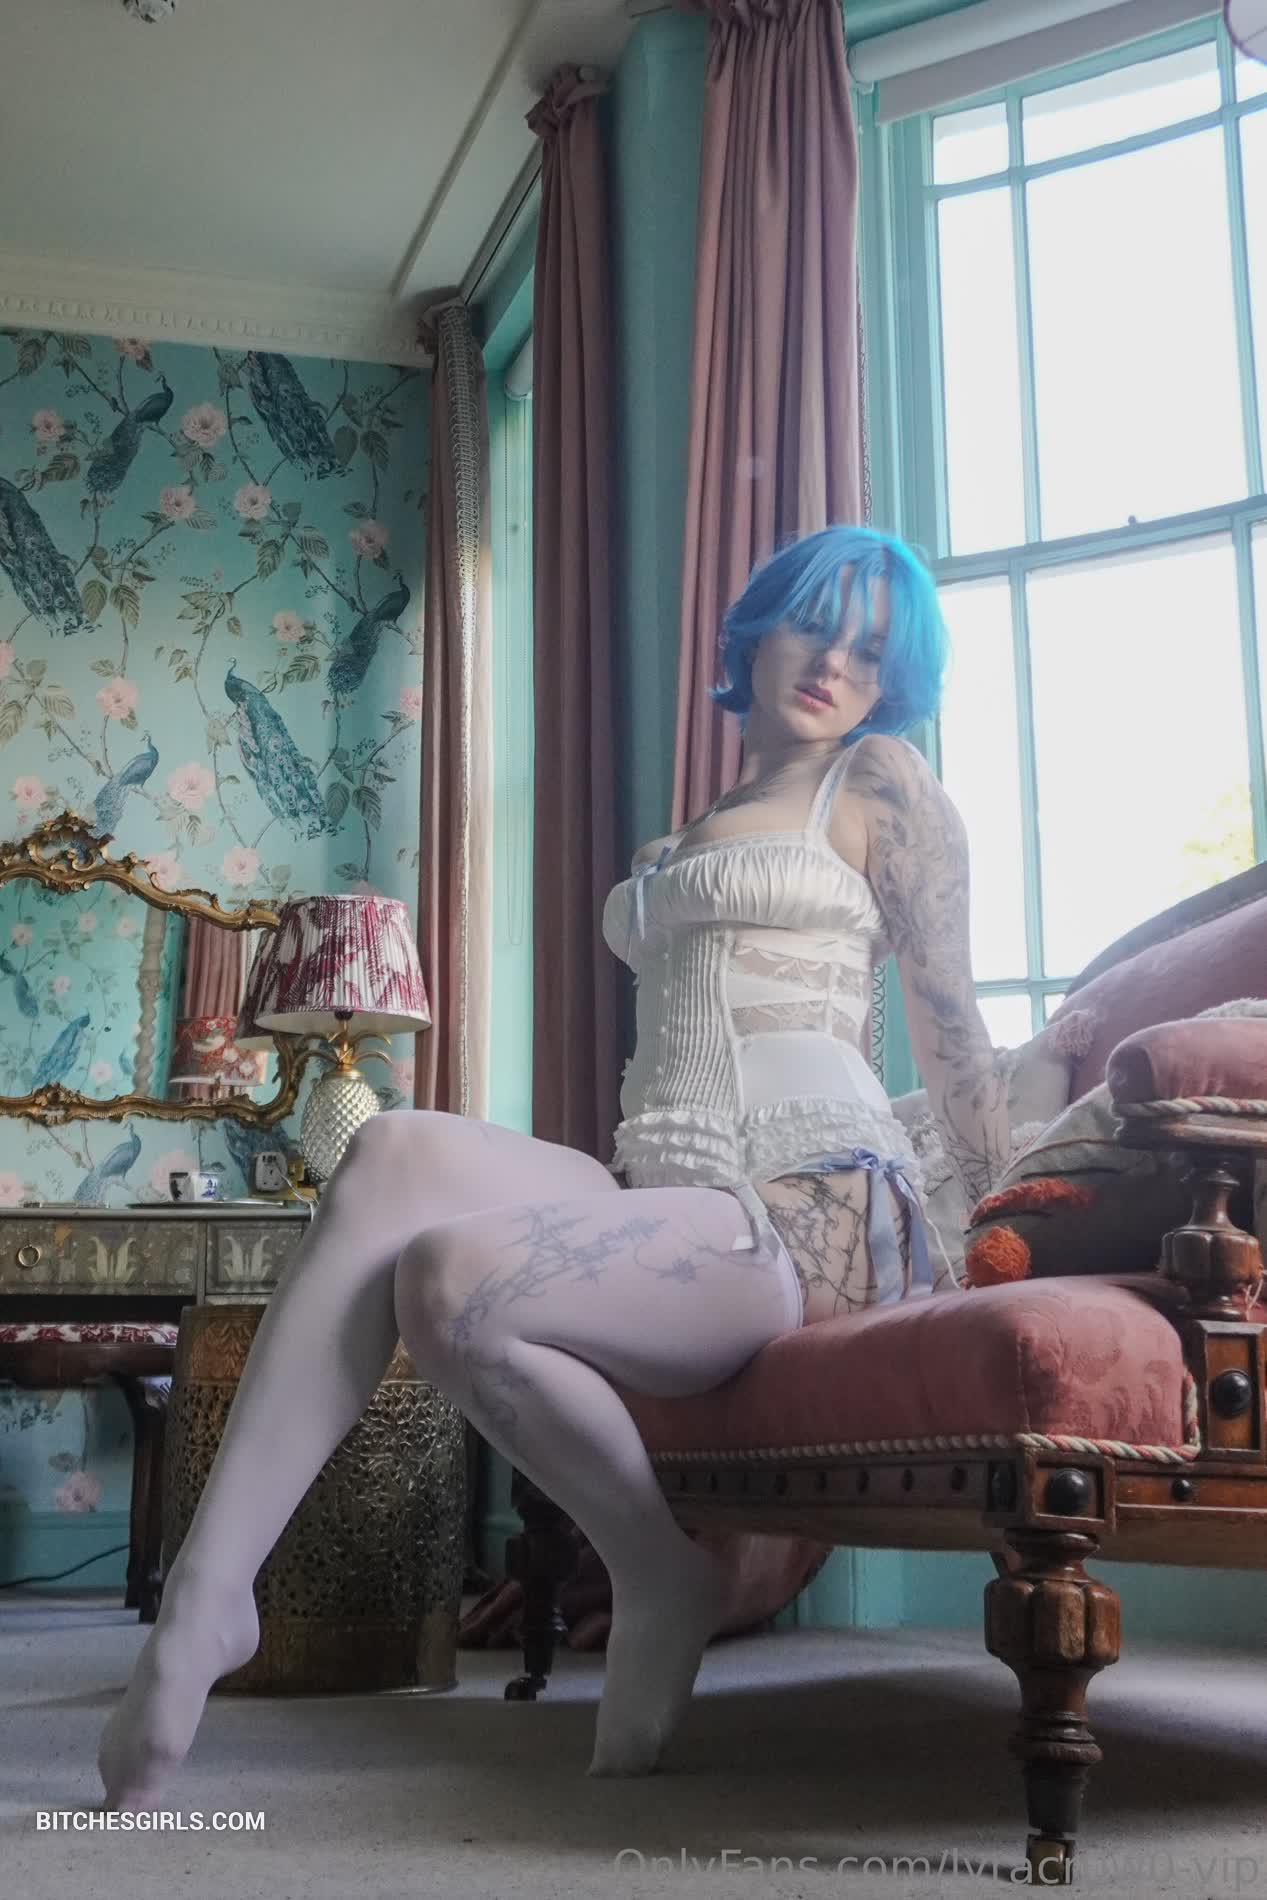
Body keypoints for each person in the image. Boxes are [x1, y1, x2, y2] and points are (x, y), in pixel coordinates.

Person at [96, 523, 1011, 1812]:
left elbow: (953, 1022)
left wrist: (1004, 1215)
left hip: (814, 1205)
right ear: (757, 629)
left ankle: (656, 1566)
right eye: (817, 625)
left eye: (873, 650)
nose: (836, 664)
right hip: (671, 1191)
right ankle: (211, 1588)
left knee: (450, 1276)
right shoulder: (677, 842)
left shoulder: (880, 785)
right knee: (389, 1149)